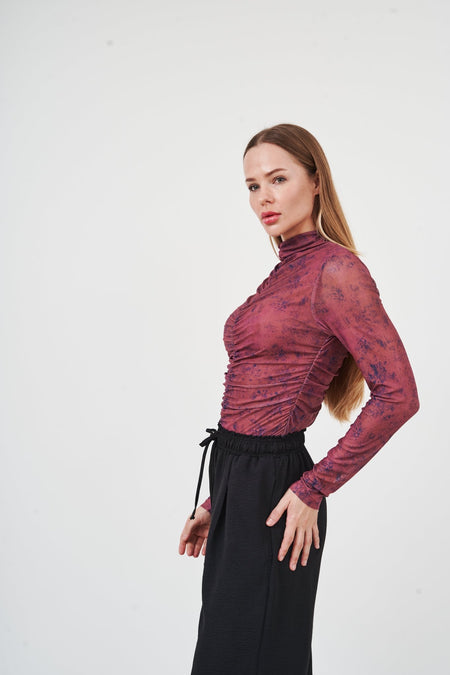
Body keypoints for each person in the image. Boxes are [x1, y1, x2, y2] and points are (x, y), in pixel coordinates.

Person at [178, 123, 419, 675]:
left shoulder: (336, 271)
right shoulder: (286, 271)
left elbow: (399, 395)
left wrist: (313, 487)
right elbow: (253, 396)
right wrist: (219, 501)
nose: (262, 196)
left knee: (257, 657)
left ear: (315, 182)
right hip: (237, 483)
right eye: (251, 185)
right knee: (227, 654)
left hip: (278, 490)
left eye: (278, 178)